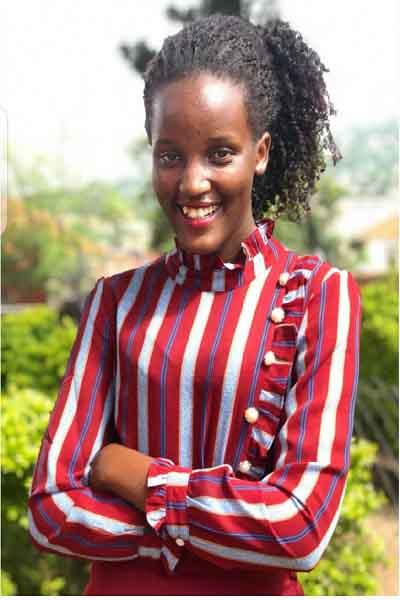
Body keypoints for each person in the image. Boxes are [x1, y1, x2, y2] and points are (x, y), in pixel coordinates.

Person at [28, 14, 361, 596]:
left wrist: (138, 476)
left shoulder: (320, 296)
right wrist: (209, 533)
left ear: (260, 153)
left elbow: (300, 527)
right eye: (170, 156)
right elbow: (52, 508)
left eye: (220, 154)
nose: (192, 182)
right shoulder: (115, 302)